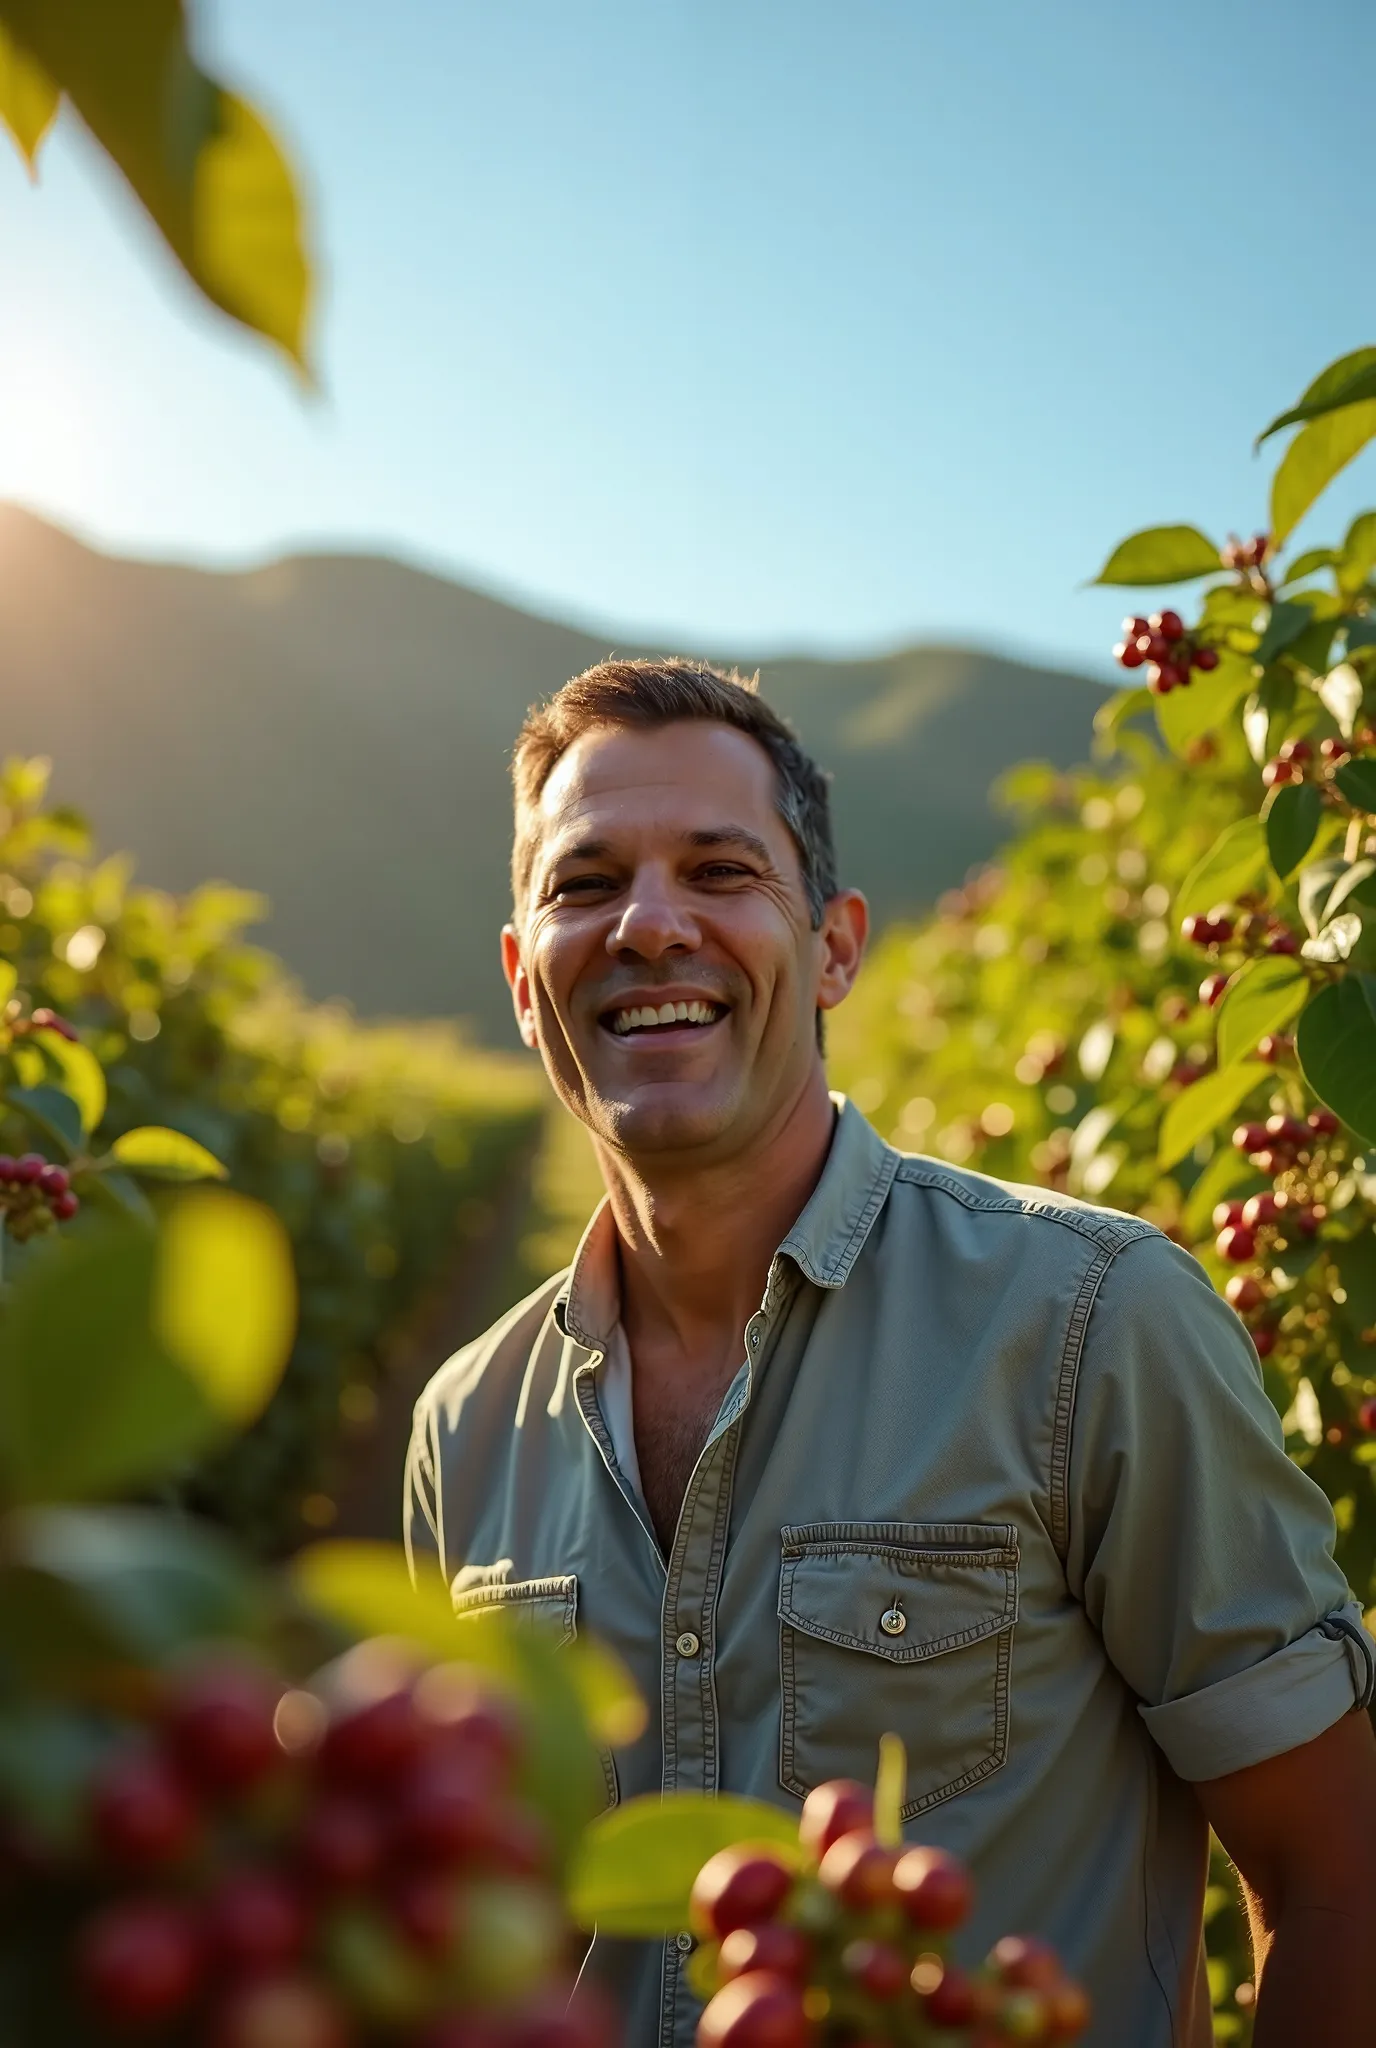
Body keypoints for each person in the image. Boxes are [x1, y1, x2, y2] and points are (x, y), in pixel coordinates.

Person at [405, 657, 1376, 2048]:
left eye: (723, 870)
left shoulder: (1092, 1325)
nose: (650, 924)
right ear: (521, 977)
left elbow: (1334, 1871)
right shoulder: (463, 1428)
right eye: (584, 882)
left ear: (839, 948)